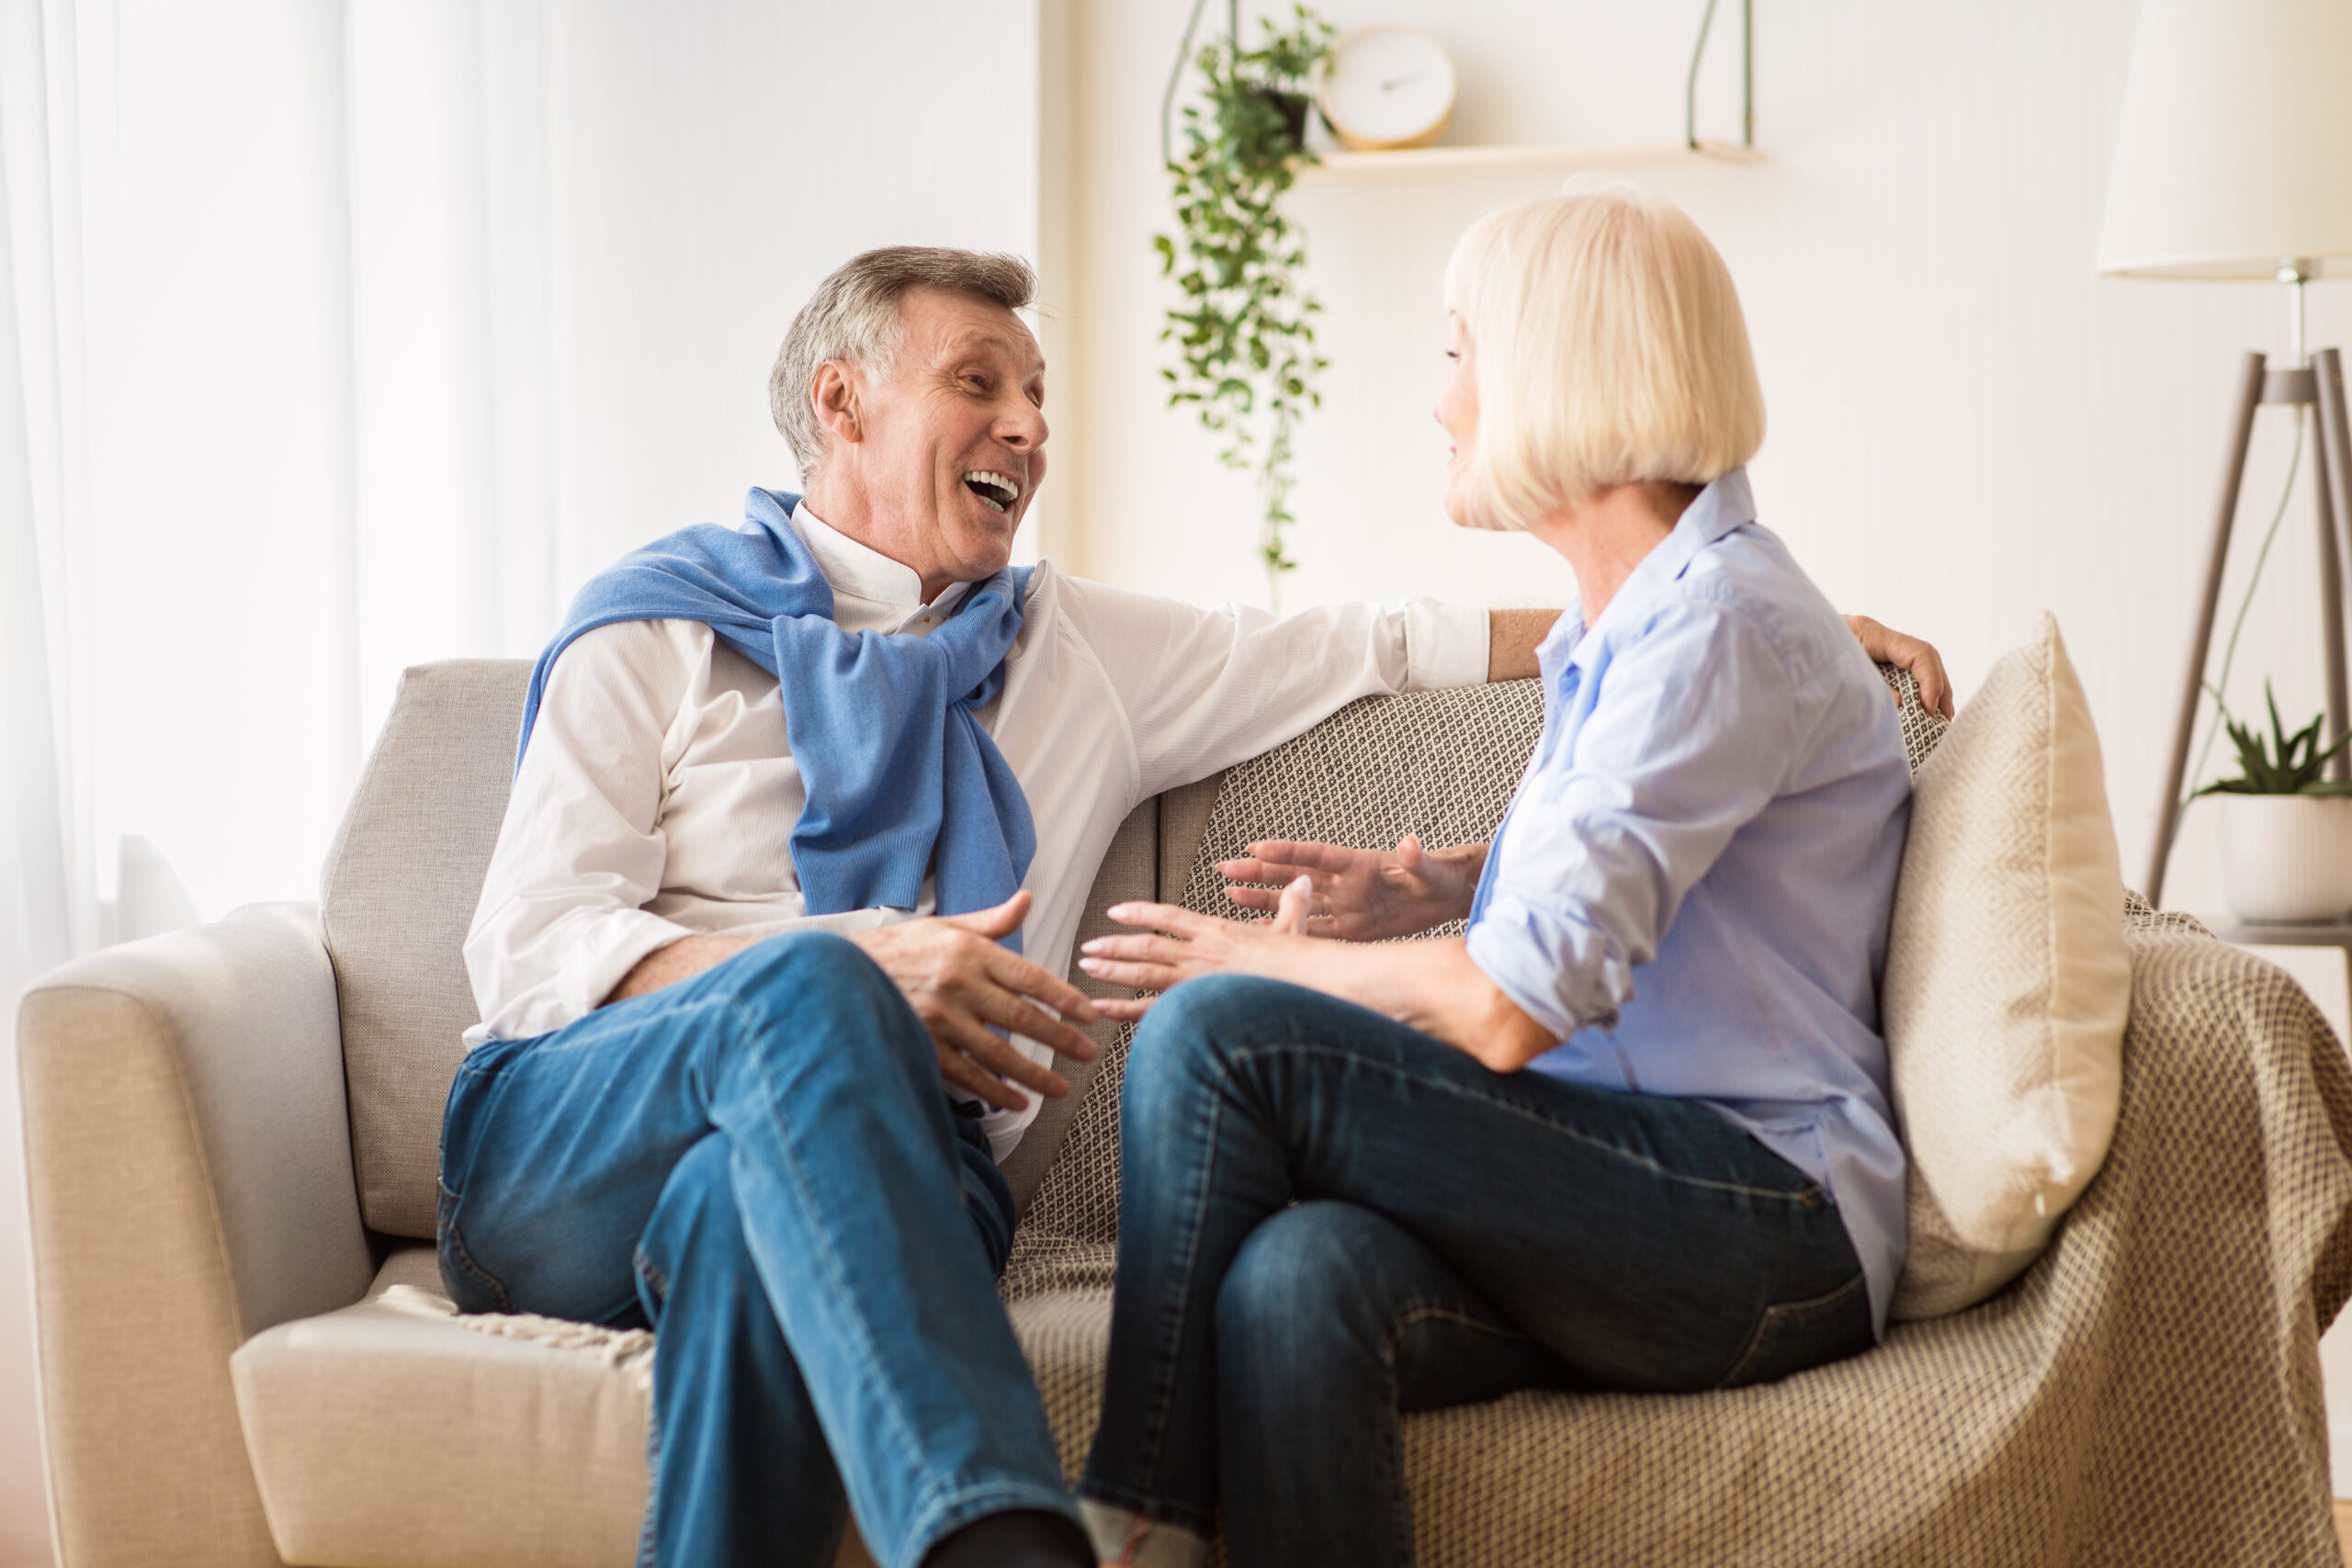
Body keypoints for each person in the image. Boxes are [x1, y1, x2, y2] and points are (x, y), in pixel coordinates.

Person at [438, 243, 1946, 1568]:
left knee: (752, 1210)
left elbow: (1368, 640)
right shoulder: (653, 625)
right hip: (577, 1137)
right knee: (820, 993)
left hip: (892, 1184)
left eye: (1039, 398)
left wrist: (1724, 609)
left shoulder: (1073, 648)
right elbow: (528, 951)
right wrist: (847, 964)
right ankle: (1006, 1539)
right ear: (841, 405)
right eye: (981, 384)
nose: (1028, 431)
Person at [1069, 186, 1917, 1568]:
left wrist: (1265, 964)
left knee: (1221, 1034)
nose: (1444, 401)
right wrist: (1448, 887)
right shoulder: (1628, 623)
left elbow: (1514, 1010)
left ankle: (1132, 1523)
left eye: (1460, 353)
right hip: (1618, 1191)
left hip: (1762, 1225)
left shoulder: (1716, 630)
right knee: (1298, 1284)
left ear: (1560, 371)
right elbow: (1655, 870)